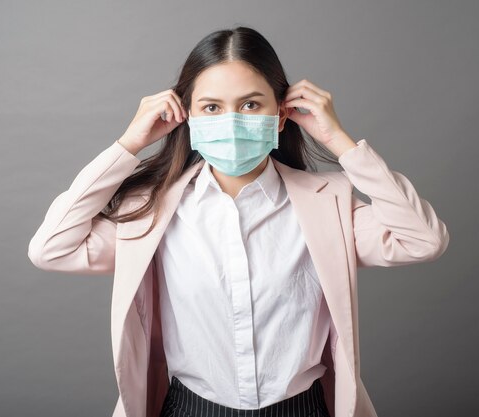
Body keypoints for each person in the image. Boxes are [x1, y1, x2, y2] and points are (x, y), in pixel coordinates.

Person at [28, 26, 450, 417]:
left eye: (250, 104)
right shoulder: (151, 212)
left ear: (280, 115)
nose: (230, 120)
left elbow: (423, 240)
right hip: (190, 408)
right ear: (187, 118)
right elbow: (52, 249)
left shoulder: (328, 205)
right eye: (211, 107)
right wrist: (128, 144)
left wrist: (339, 141)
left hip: (302, 409)